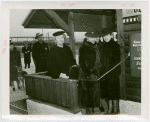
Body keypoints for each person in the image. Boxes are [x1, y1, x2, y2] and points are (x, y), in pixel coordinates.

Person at [78, 32, 102, 114]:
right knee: (89, 94)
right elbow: (82, 64)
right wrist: (88, 74)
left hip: (96, 73)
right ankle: (89, 111)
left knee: (94, 93)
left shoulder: (97, 47)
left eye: (94, 37)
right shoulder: (83, 48)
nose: (93, 39)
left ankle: (92, 109)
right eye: (90, 38)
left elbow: (99, 60)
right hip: (87, 75)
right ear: (87, 38)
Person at [100, 28, 121, 114]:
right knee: (108, 91)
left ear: (111, 35)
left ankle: (116, 108)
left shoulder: (115, 45)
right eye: (104, 36)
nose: (105, 37)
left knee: (114, 91)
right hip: (105, 72)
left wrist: (114, 71)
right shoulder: (103, 46)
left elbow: (117, 60)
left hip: (113, 72)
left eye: (107, 35)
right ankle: (110, 108)